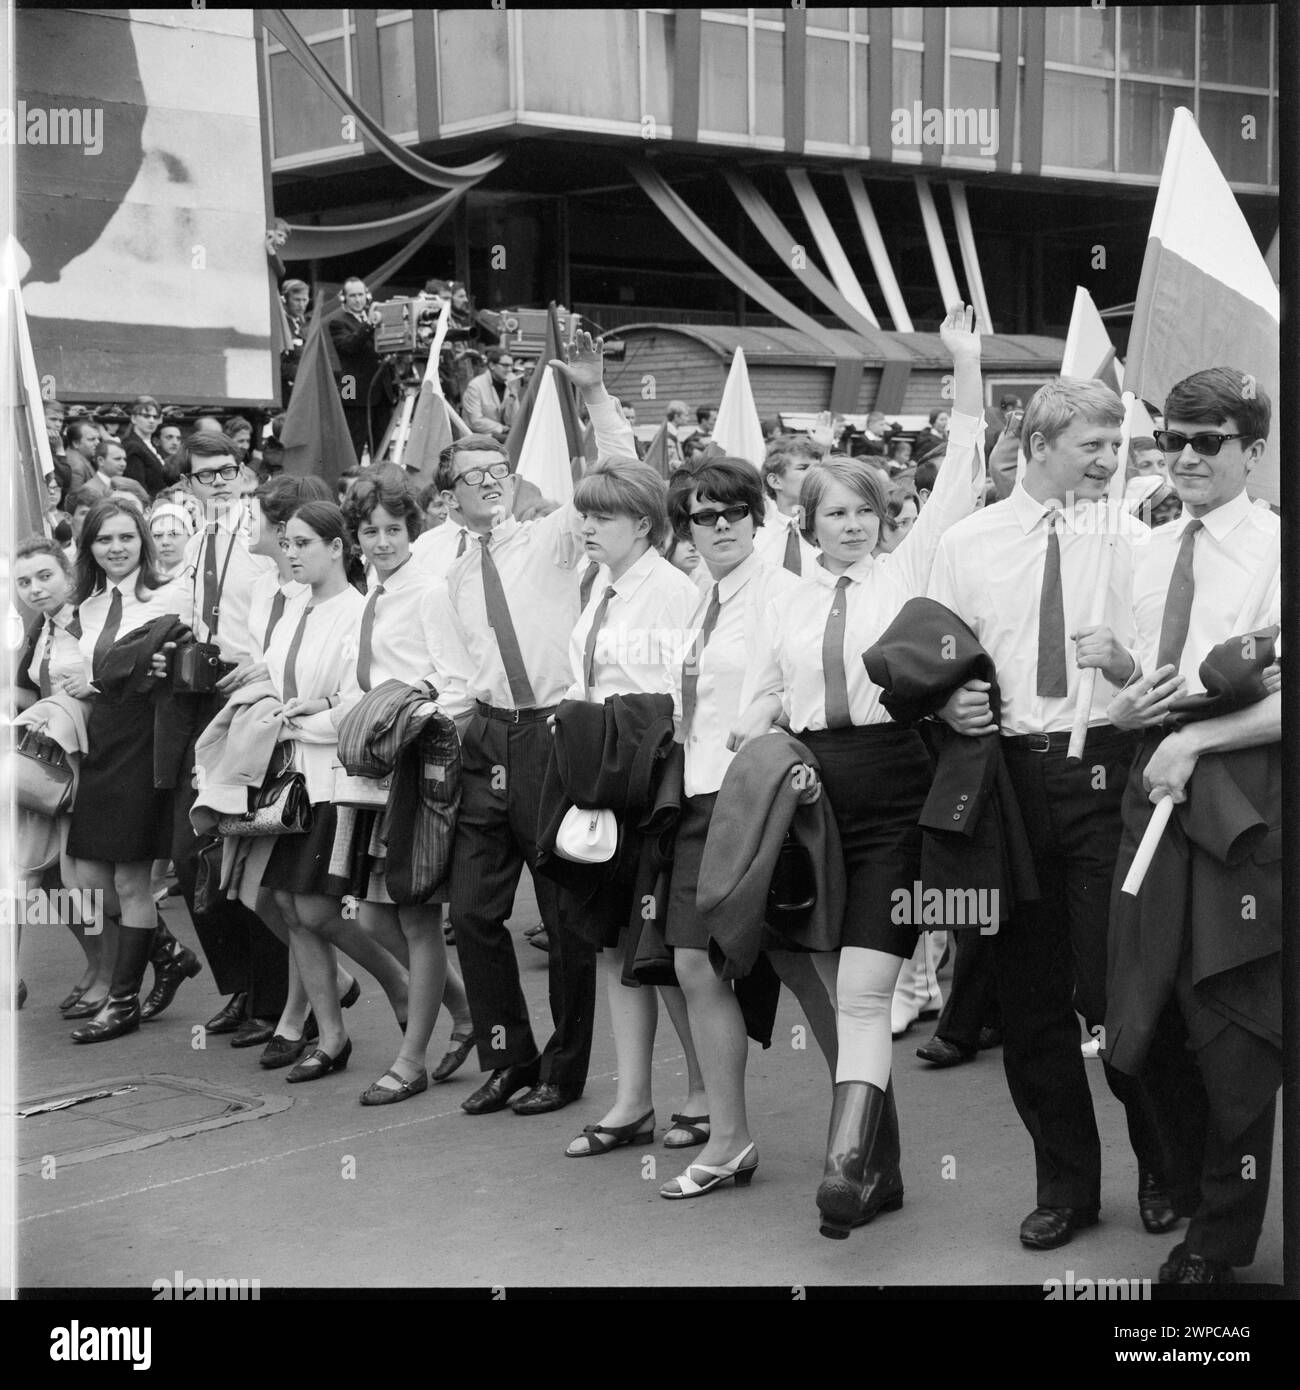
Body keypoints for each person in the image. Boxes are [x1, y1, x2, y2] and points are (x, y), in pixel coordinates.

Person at [733, 305, 987, 1234]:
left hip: (892, 793)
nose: (851, 526)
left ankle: (845, 1167)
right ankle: (880, 1167)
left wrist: (962, 362)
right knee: (822, 978)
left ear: (887, 519)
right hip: (807, 802)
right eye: (833, 513)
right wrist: (755, 750)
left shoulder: (911, 572)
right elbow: (761, 698)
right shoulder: (783, 604)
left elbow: (963, 465)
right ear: (806, 526)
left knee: (866, 988)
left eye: (865, 511)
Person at [928, 375, 1176, 1252]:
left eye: (1117, 447)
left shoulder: (1136, 539)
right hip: (1006, 780)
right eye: (1093, 447)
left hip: (1107, 771)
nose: (1112, 463)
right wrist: (952, 702)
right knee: (1028, 997)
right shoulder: (965, 542)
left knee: (1117, 987)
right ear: (1036, 446)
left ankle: (1165, 1169)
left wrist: (1120, 665)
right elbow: (944, 654)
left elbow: (1164, 665)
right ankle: (1066, 1186)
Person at [423, 332, 632, 1118]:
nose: (489, 482)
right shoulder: (448, 579)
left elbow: (616, 475)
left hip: (553, 733)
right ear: (451, 498)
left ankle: (565, 1069)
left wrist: (595, 394)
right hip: (488, 738)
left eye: (497, 471)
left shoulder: (548, 541)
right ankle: (508, 1056)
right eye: (472, 477)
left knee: (563, 915)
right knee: (473, 912)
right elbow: (455, 676)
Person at [1104, 368, 1280, 1285]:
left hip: (1243, 801)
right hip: (1148, 788)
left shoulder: (1281, 549)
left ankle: (1218, 1239)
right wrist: (1129, 709)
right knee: (1140, 1015)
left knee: (1231, 1017)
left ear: (1254, 450)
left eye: (1207, 442)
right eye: (1172, 439)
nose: (1184, 457)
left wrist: (1199, 739)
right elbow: (1133, 693)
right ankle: (1181, 1177)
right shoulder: (1142, 549)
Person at [558, 458, 710, 1156]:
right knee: (613, 943)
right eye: (584, 513)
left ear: (643, 524)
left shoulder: (672, 592)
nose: (586, 526)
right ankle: (631, 1100)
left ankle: (705, 1097)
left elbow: (680, 702)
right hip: (600, 782)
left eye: (603, 516)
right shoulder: (603, 585)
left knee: (662, 950)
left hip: (648, 785)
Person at [335, 472, 477, 1103]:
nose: (382, 541)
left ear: (412, 530)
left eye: (394, 529)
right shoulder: (372, 591)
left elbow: (460, 684)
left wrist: (405, 724)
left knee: (418, 918)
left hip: (414, 773)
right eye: (370, 531)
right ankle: (468, 1013)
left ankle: (410, 1058)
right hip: (371, 776)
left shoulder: (428, 592)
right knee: (370, 915)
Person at [255, 502, 409, 1082]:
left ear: (338, 546)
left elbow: (356, 705)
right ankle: (332, 1035)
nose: (290, 553)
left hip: (334, 777)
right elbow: (277, 682)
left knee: (317, 907)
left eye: (302, 543)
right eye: (287, 543)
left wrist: (295, 722)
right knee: (290, 907)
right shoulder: (293, 606)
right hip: (288, 775)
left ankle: (401, 984)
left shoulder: (359, 609)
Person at [61, 499, 196, 1042]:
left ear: (143, 540)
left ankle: (121, 1005)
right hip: (101, 742)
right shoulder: (86, 608)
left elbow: (189, 671)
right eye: (104, 540)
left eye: (126, 537)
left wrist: (149, 672)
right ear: (89, 548)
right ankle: (168, 953)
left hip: (148, 739)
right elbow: (74, 671)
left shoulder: (174, 595)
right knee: (91, 881)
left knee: (130, 879)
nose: (117, 548)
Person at [10, 537, 105, 1014]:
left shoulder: (92, 622)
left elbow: (106, 689)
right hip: (49, 765)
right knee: (50, 880)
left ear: (69, 575)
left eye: (44, 576)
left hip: (87, 763)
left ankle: (118, 973)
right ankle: (105, 965)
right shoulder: (42, 627)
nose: (34, 588)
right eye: (24, 581)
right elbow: (32, 692)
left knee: (75, 877)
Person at [329, 276, 387, 462]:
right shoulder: (337, 321)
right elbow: (349, 346)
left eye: (361, 294)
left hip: (381, 389)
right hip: (352, 388)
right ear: (344, 298)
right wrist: (369, 324)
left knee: (382, 445)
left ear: (367, 296)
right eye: (352, 295)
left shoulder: (376, 319)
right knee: (354, 443)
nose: (358, 299)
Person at [754, 436, 822, 576]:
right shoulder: (757, 539)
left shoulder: (828, 531)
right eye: (803, 468)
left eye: (818, 468)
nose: (815, 474)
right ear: (775, 481)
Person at [460, 347, 521, 442]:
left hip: (502, 440)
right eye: (505, 365)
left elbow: (514, 421)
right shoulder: (475, 386)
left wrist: (514, 394)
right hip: (476, 440)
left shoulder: (510, 383)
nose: (509, 370)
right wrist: (502, 428)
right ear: (492, 365)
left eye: (511, 366)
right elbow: (476, 421)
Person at [122, 396, 168, 498]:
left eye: (155, 417)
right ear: (134, 418)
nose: (152, 420)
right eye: (146, 416)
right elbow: (137, 487)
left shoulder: (152, 445)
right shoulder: (132, 446)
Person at [148, 502, 196, 580]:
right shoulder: (142, 575)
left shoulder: (200, 575)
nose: (165, 542)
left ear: (190, 537)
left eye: (174, 534)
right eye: (157, 535)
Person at [63, 419, 100, 491]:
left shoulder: (84, 457)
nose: (98, 442)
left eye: (98, 439)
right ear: (76, 443)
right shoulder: (76, 466)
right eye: (92, 439)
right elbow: (76, 499)